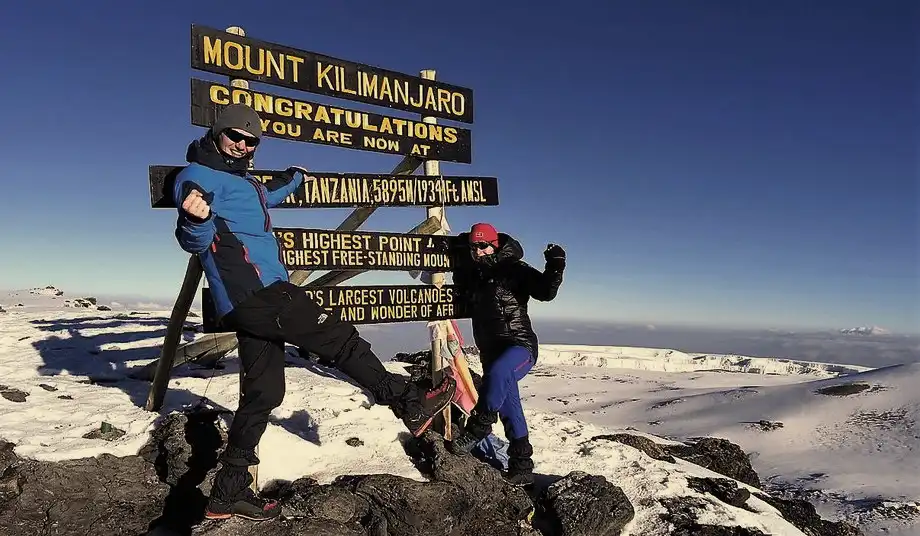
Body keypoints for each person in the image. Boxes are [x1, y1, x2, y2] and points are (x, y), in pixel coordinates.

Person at [171, 103, 456, 521]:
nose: (242, 145)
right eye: (235, 136)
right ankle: (407, 401)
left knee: (264, 393)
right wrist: (194, 219)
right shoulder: (197, 177)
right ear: (217, 133)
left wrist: (295, 179)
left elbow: (264, 198)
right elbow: (193, 237)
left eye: (251, 141)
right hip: (259, 293)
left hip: (251, 301)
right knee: (339, 338)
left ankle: (227, 493)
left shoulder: (240, 180)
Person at [446, 223, 565, 486]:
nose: (478, 251)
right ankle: (522, 466)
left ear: (495, 244)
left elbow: (545, 291)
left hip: (519, 346)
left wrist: (556, 265)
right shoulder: (471, 274)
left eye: (483, 245)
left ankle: (479, 426)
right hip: (489, 351)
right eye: (473, 247)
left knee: (500, 372)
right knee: (511, 408)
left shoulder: (514, 269)